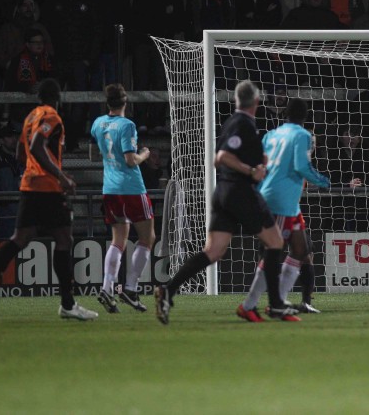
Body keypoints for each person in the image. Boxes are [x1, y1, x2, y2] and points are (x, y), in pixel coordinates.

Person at [154, 81, 297, 324]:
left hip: (223, 193)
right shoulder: (242, 124)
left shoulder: (234, 122)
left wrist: (261, 161)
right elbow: (221, 158)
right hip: (239, 191)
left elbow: (228, 156)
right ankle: (275, 305)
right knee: (275, 242)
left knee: (213, 251)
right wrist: (251, 170)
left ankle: (168, 290)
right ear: (257, 102)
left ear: (236, 101)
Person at [0, 79, 98, 320]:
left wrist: (35, 172)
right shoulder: (51, 117)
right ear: (60, 97)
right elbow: (37, 146)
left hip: (29, 186)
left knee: (20, 238)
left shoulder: (30, 117)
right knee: (64, 238)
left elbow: (20, 152)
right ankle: (68, 304)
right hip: (47, 189)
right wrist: (60, 176)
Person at [238, 98, 331, 321]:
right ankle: (250, 304)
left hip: (284, 200)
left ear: (285, 115)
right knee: (273, 252)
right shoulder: (302, 135)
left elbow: (262, 163)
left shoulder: (271, 135)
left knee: (300, 249)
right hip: (280, 200)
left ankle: (278, 301)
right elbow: (301, 166)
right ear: (304, 116)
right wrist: (322, 180)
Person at [89, 84, 155, 314]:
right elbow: (129, 160)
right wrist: (145, 155)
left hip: (110, 188)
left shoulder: (98, 123)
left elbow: (96, 150)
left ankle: (107, 288)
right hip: (131, 188)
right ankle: (130, 288)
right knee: (147, 238)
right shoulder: (127, 125)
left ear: (107, 102)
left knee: (118, 240)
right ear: (126, 102)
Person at [41, 0, 96, 151]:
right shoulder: (54, 2)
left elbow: (94, 31)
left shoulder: (86, 2)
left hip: (79, 60)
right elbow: (46, 28)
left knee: (79, 101)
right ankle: (53, 138)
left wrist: (88, 58)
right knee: (53, 99)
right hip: (59, 60)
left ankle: (72, 139)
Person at [131, 0, 185, 134]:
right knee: (142, 80)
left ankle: (157, 120)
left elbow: (178, 15)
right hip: (143, 40)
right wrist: (164, 11)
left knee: (161, 81)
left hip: (162, 42)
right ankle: (140, 120)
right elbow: (141, 10)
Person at [87, 0, 132, 92]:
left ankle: (112, 112)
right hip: (98, 49)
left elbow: (127, 22)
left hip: (114, 49)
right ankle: (97, 113)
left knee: (113, 86)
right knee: (96, 84)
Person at [0, 123, 22, 239]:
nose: (14, 139)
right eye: (9, 136)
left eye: (15, 136)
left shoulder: (25, 158)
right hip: (8, 214)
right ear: (1, 140)